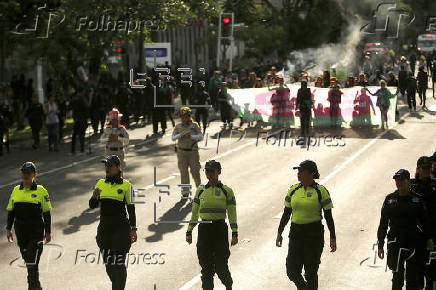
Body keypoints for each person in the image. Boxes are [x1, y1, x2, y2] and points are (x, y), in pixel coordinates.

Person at [277, 160, 336, 290]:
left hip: (313, 235)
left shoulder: (321, 191)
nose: (298, 174)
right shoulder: (293, 190)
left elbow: (328, 216)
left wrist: (333, 236)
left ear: (311, 173)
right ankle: (303, 288)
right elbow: (286, 213)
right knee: (291, 270)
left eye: (301, 171)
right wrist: (279, 232)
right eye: (298, 171)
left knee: (310, 272)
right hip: (296, 233)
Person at [377, 169, 435, 290]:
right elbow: (383, 223)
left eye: (402, 180)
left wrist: (429, 240)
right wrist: (380, 244)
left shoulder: (417, 200)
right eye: (397, 180)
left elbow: (425, 222)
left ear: (408, 181)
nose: (399, 183)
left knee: (412, 280)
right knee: (397, 279)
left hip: (413, 243)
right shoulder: (389, 200)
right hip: (395, 243)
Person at [186, 160, 238, 290]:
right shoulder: (200, 190)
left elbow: (232, 213)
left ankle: (228, 285)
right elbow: (194, 213)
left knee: (221, 267)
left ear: (219, 172)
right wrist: (189, 231)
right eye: (207, 171)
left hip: (220, 230)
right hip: (204, 230)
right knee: (206, 269)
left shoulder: (227, 191)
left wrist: (234, 232)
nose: (209, 174)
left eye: (212, 171)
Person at [89, 155, 137, 290]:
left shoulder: (127, 186)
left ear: (118, 167)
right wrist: (94, 197)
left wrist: (133, 229)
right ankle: (117, 285)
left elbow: (131, 210)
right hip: (104, 229)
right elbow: (92, 205)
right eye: (106, 166)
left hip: (121, 228)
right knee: (109, 265)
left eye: (110, 165)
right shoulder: (100, 183)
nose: (107, 168)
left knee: (118, 263)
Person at [6, 162, 52, 290]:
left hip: (36, 231)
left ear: (34, 175)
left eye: (28, 173)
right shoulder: (16, 190)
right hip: (21, 231)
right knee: (29, 262)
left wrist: (48, 232)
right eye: (23, 172)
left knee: (32, 261)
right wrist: (8, 229)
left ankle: (32, 287)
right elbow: (11, 211)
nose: (25, 175)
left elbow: (47, 213)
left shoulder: (41, 191)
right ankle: (36, 285)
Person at [411, 156, 436, 290]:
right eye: (424, 168)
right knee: (417, 270)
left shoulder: (434, 185)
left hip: (432, 233)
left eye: (428, 168)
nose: (426, 171)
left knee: (431, 269)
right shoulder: (411, 186)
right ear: (418, 169)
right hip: (416, 234)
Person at [172, 107, 203, 198]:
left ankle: (199, 189)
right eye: (182, 117)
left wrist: (191, 136)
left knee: (195, 171)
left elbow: (200, 137)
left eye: (185, 116)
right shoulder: (178, 126)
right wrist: (180, 135)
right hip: (181, 152)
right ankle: (185, 192)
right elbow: (173, 137)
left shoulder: (194, 125)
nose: (183, 118)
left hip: (192, 151)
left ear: (189, 116)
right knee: (183, 172)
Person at [70, 88, 90, 154]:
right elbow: (87, 106)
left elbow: (70, 107)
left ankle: (73, 150)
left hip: (76, 119)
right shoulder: (82, 99)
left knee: (74, 135)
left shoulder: (74, 99)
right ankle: (82, 149)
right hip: (82, 119)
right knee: (82, 135)